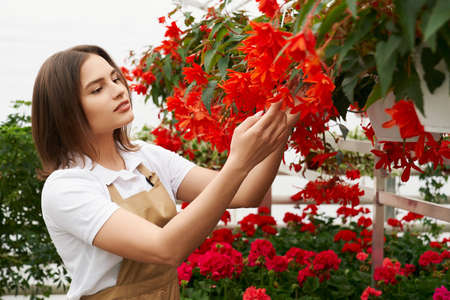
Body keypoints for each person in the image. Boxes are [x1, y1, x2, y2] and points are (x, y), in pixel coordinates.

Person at [31, 45, 299, 300]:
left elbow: (246, 193)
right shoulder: (67, 186)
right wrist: (238, 161)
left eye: (115, 78)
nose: (118, 90)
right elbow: (165, 248)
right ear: (66, 113)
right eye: (97, 89)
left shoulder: (146, 157)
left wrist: (284, 120)